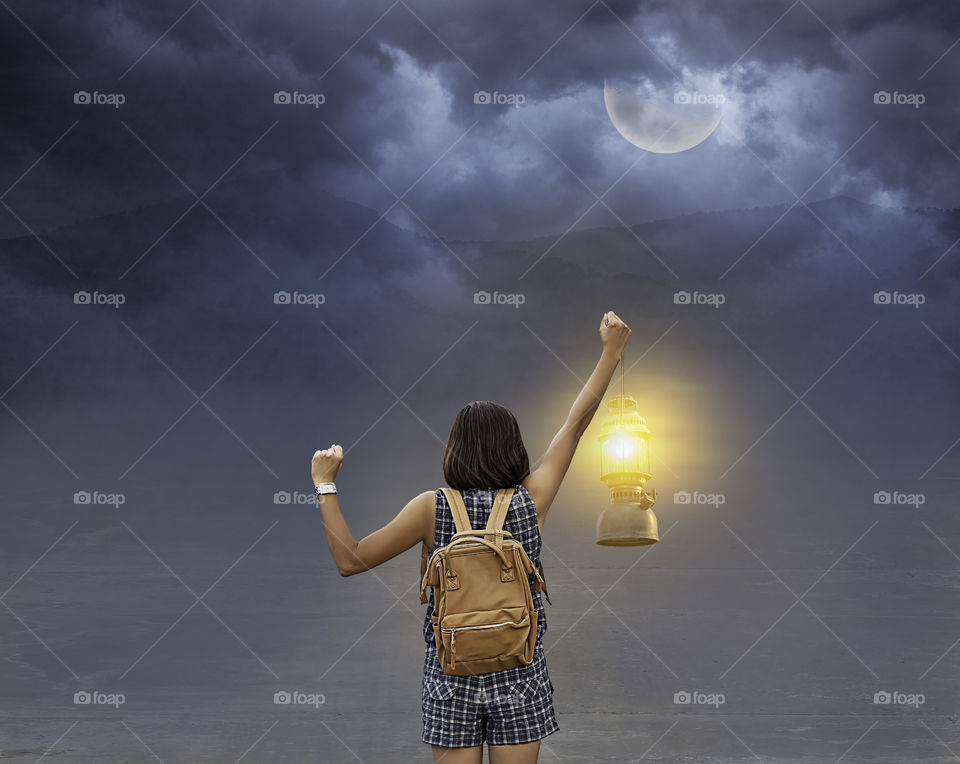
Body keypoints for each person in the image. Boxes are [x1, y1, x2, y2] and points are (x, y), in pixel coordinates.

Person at [313, 310, 632, 763]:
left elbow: (350, 560)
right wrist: (611, 353)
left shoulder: (430, 507)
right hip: (520, 672)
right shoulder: (531, 499)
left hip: (451, 677)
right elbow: (575, 425)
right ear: (514, 446)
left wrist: (325, 484)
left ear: (455, 448)